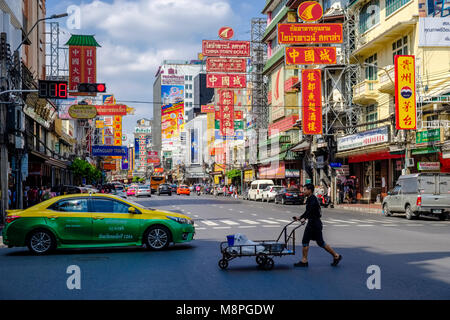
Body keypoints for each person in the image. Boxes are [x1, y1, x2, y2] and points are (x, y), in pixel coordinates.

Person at [293, 183, 342, 268]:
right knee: (320, 242)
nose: (303, 191)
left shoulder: (312, 199)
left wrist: (304, 218)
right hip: (315, 223)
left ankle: (304, 261)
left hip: (314, 224)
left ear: (310, 190)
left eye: (305, 189)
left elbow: (311, 210)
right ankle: (336, 256)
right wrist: (300, 217)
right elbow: (308, 211)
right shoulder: (310, 198)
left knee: (306, 241)